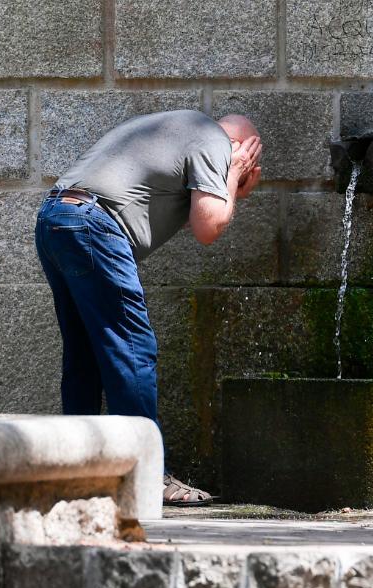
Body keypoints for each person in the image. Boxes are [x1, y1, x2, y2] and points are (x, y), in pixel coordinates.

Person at [34, 110, 262, 506]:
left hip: (55, 217)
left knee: (85, 355)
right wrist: (232, 171)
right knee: (134, 349)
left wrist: (231, 185)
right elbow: (209, 226)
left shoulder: (183, 131)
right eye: (249, 162)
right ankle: (148, 475)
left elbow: (197, 210)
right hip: (93, 223)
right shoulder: (214, 140)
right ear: (240, 147)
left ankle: (75, 474)